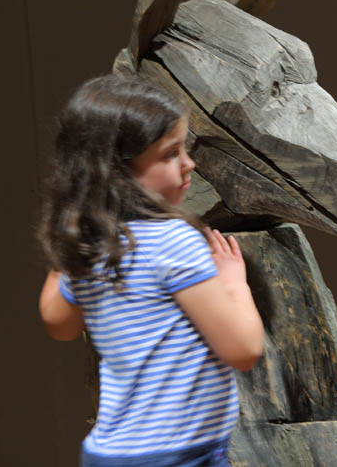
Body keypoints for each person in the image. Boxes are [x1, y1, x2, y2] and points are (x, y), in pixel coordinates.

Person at [37, 75, 265, 467]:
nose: (189, 163)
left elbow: (59, 323)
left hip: (109, 454)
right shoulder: (173, 241)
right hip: (178, 456)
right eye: (170, 154)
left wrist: (72, 237)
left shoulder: (94, 245)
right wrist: (234, 284)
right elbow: (243, 351)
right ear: (116, 172)